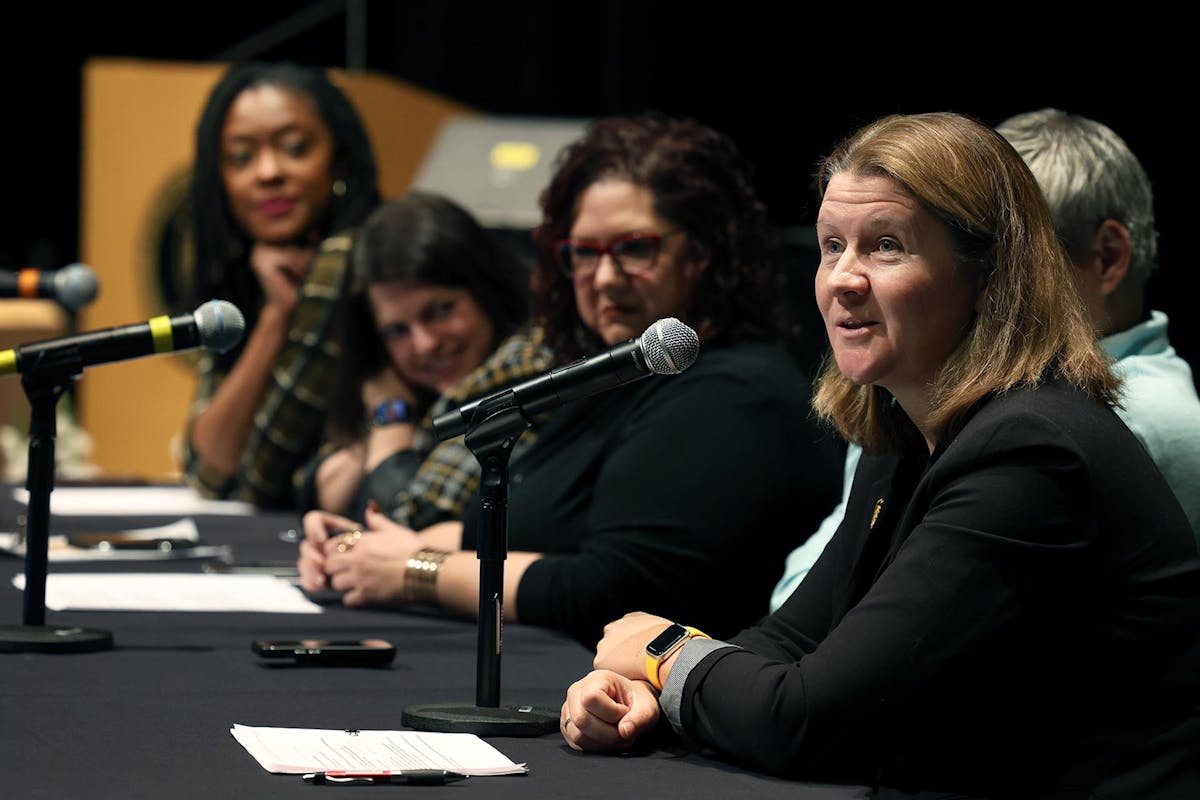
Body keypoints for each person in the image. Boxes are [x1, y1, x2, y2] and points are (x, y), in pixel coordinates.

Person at [560, 112, 1200, 798]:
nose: (843, 279)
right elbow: (795, 640)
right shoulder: (903, 428)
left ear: (988, 276)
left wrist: (663, 653)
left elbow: (808, 720)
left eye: (886, 246)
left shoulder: (1035, 453)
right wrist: (650, 692)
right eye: (831, 245)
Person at [296, 113, 844, 646]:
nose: (604, 278)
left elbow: (613, 590)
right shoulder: (616, 378)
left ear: (701, 253)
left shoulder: (734, 396)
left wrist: (415, 569)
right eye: (584, 253)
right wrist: (368, 549)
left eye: (633, 248)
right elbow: (513, 530)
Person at [768, 106, 1200, 612]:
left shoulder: (1054, 429)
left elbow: (855, 639)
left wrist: (675, 657)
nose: (845, 276)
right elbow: (807, 608)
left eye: (1031, 251)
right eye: (833, 245)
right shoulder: (913, 403)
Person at [181, 61, 381, 509]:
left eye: (294, 147)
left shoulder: (348, 258)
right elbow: (206, 468)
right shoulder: (250, 269)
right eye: (241, 157)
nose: (268, 172)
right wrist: (276, 316)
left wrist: (282, 312)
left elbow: (256, 481)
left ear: (339, 159)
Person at [294, 190, 552, 526]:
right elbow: (319, 484)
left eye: (441, 310)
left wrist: (390, 420)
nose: (425, 344)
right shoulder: (407, 383)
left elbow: (414, 523)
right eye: (397, 330)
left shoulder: (524, 366)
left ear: (486, 289)